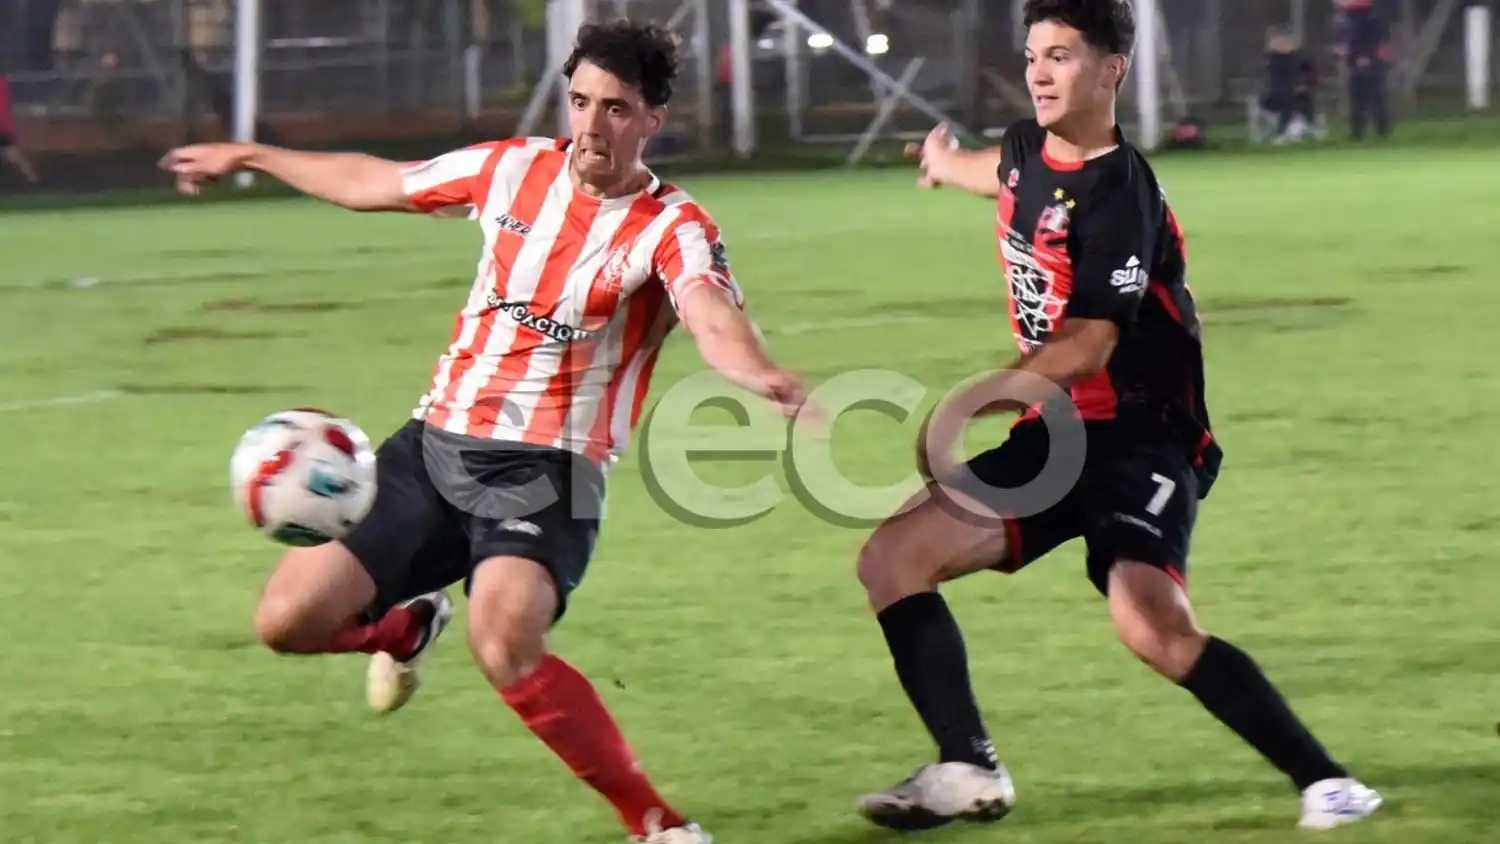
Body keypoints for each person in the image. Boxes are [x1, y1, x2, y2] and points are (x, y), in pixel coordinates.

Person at [161, 20, 816, 844]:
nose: (591, 126)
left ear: (653, 118)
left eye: (615, 109)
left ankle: (655, 824)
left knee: (503, 636)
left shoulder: (671, 226)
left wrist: (754, 370)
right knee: (285, 624)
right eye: (580, 102)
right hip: (430, 450)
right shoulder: (510, 170)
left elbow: (711, 315)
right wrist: (252, 155)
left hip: (551, 468)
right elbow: (378, 181)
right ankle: (405, 626)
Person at [853, 0, 1381, 832]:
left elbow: (1092, 340)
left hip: (1144, 432)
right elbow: (1006, 172)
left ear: (1111, 71)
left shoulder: (1120, 193)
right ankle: (968, 765)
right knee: (893, 558)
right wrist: (946, 161)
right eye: (1033, 54)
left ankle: (1328, 782)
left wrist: (969, 399)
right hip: (1056, 434)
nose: (1038, 71)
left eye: (1061, 56)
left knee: (1150, 623)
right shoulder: (1031, 147)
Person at [1334, 0, 1391, 140]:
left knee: (1366, 97)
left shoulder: (1361, 20)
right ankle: (1372, 129)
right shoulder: (1372, 18)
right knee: (1369, 97)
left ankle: (1367, 130)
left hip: (1366, 61)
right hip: (1366, 61)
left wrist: (1364, 55)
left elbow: (1366, 39)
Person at [1262, 27, 1319, 144]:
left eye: (1288, 42)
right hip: (1274, 96)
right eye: (1281, 43)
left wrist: (1305, 84)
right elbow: (1277, 80)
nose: (1285, 45)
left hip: (1296, 94)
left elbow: (1311, 72)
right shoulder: (1273, 60)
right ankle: (1282, 132)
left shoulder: (1299, 58)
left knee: (1304, 98)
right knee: (1287, 100)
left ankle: (1304, 126)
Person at [0, 73, 41, 184]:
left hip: (3, 125)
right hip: (5, 125)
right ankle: (32, 177)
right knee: (11, 153)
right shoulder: (4, 82)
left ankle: (32, 177)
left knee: (11, 153)